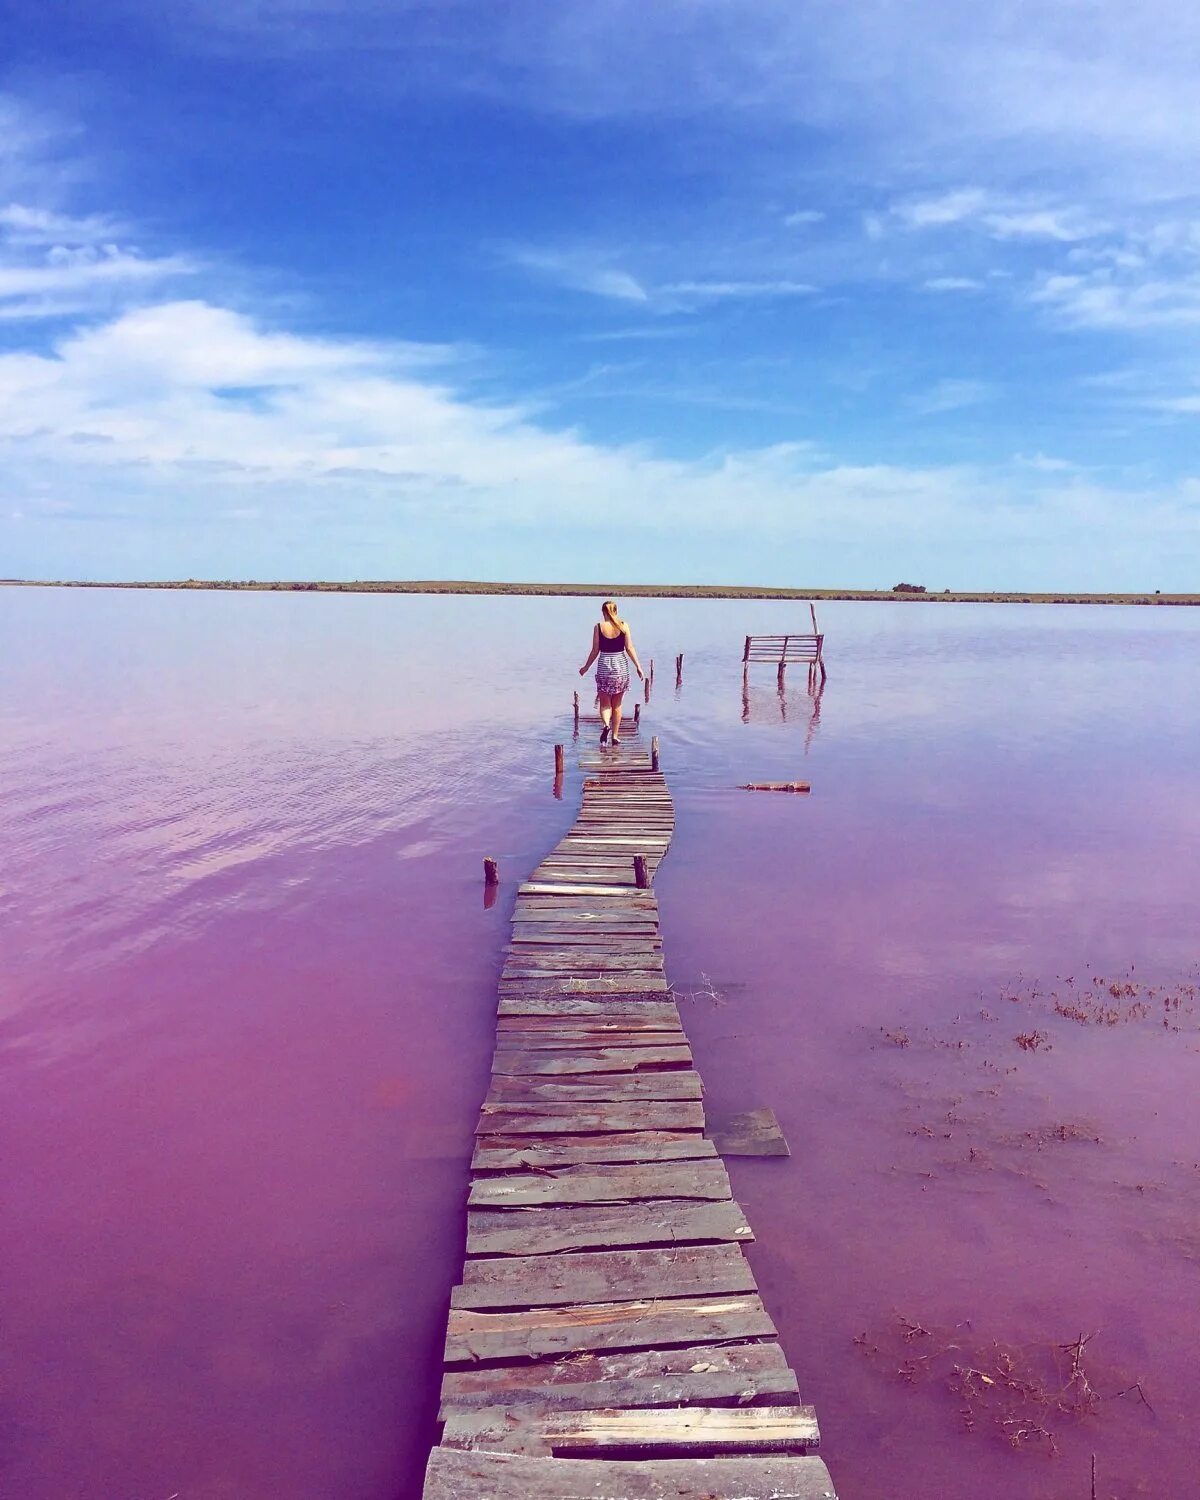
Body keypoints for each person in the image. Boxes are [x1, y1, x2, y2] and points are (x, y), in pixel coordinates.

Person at [578, 599, 645, 745]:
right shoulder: (624, 626)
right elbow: (629, 648)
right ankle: (615, 736)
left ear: (603, 612)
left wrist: (585, 667)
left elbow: (595, 651)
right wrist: (638, 666)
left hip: (604, 668)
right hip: (620, 668)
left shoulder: (598, 627)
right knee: (617, 705)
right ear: (616, 611)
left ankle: (606, 725)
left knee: (605, 704)